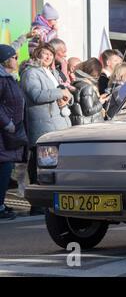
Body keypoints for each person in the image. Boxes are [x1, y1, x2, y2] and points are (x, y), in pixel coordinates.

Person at [20, 44, 72, 215]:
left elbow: (63, 93)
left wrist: (66, 98)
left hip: (59, 123)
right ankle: (37, 205)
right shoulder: (31, 73)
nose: (48, 57)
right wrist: (60, 93)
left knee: (55, 166)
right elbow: (36, 95)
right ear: (36, 55)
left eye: (50, 54)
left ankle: (51, 203)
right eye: (44, 54)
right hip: (43, 126)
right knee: (40, 166)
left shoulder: (54, 72)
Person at [0, 45, 27, 220]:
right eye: (15, 57)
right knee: (5, 167)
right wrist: (7, 122)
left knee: (6, 167)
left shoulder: (9, 78)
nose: (17, 60)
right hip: (4, 132)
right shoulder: (2, 79)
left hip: (11, 131)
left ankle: (1, 204)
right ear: (6, 60)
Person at [70, 58, 109, 126]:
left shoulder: (78, 83)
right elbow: (88, 111)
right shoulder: (87, 86)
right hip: (89, 125)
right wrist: (100, 102)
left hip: (82, 123)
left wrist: (98, 98)